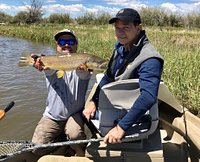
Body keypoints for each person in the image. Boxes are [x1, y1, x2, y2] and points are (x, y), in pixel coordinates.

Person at [83, 8, 164, 144]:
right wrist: (93, 101)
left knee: (82, 115)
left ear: (138, 28)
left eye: (126, 27)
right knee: (85, 111)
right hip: (117, 104)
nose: (120, 33)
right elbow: (108, 77)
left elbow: (148, 97)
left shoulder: (150, 58)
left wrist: (121, 127)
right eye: (117, 28)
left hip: (135, 114)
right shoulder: (120, 48)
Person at [32, 29, 92, 156]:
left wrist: (85, 66)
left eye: (70, 41)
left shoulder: (84, 65)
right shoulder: (51, 63)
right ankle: (66, 148)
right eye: (62, 42)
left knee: (75, 134)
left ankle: (75, 146)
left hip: (74, 114)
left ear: (76, 44)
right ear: (57, 46)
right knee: (36, 147)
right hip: (52, 115)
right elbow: (48, 70)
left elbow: (84, 74)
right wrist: (39, 62)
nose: (66, 44)